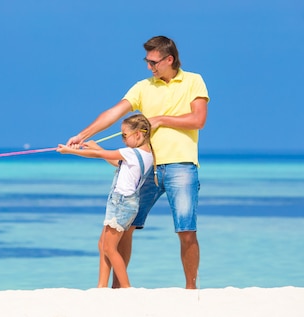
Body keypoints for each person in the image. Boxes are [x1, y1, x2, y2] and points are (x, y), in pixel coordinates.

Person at [66, 35, 209, 289]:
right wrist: (82, 135)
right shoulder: (143, 86)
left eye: (154, 62)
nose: (149, 67)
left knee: (186, 231)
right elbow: (114, 112)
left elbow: (198, 120)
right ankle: (117, 289)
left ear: (169, 59)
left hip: (181, 165)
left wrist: (162, 119)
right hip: (147, 168)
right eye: (147, 61)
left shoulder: (194, 81)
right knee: (125, 226)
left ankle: (191, 290)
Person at [57, 114, 154, 288]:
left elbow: (98, 154)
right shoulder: (146, 155)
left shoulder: (131, 153)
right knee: (103, 243)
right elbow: (115, 162)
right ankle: (101, 286)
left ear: (138, 134)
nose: (123, 139)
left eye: (125, 135)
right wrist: (96, 146)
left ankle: (126, 287)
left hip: (121, 203)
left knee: (109, 248)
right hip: (126, 204)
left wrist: (70, 151)